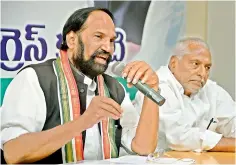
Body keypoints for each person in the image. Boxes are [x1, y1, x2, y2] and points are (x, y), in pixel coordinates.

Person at [1, 7, 160, 164]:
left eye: (112, 41)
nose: (107, 48)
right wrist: (83, 122)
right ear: (71, 40)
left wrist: (151, 90)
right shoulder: (34, 78)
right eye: (98, 36)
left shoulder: (114, 87)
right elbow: (13, 153)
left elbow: (143, 148)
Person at [134, 37, 236, 152]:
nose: (202, 73)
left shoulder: (211, 89)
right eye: (195, 64)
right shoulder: (158, 85)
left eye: (207, 67)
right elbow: (179, 137)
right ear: (173, 63)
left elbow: (232, 120)